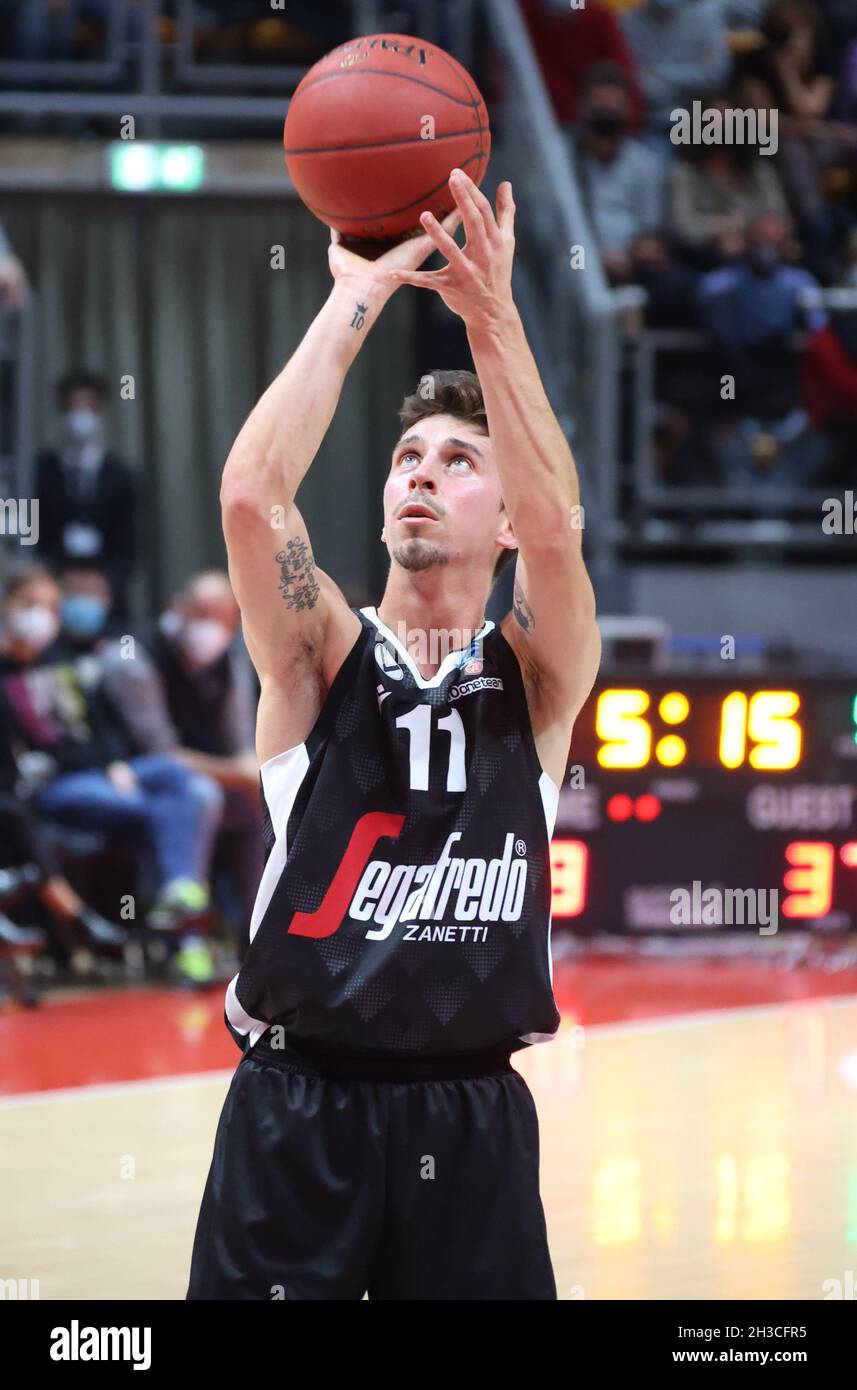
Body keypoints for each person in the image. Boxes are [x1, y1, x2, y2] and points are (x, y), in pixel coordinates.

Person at [187, 170, 601, 1301]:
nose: (422, 470)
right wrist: (359, 293)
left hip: (470, 1117)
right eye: (406, 457)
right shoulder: (319, 651)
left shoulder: (534, 671)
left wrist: (492, 314)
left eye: (458, 461)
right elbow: (249, 496)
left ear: (503, 518)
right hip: (297, 1106)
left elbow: (561, 536)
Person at [0, 567, 216, 939]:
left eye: (51, 607)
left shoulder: (65, 658)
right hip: (59, 783)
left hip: (104, 771)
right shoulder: (4, 675)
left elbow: (101, 723)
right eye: (31, 604)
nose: (42, 616)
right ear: (7, 607)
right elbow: (29, 753)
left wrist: (115, 763)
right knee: (160, 811)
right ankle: (174, 913)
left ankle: (179, 891)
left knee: (177, 775)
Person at [100, 571, 263, 953]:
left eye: (224, 618)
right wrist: (240, 773)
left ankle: (259, 940)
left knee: (261, 803)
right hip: (127, 773)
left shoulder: (233, 659)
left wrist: (255, 775)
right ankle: (187, 942)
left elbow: (240, 742)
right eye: (202, 613)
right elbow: (162, 753)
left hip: (200, 774)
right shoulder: (132, 656)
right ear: (178, 608)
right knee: (198, 794)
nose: (212, 626)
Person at [34, 372, 137, 621]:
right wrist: (55, 575)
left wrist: (102, 582)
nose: (81, 416)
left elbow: (131, 543)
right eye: (73, 407)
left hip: (107, 599)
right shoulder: (38, 472)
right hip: (51, 593)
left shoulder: (120, 476)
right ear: (61, 413)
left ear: (101, 413)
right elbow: (28, 534)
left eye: (89, 407)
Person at [569, 63, 665, 285]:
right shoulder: (563, 158)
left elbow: (649, 226)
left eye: (615, 104)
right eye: (600, 103)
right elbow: (551, 228)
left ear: (627, 110)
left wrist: (632, 255)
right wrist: (596, 259)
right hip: (578, 258)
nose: (607, 111)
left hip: (630, 262)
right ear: (583, 107)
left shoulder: (645, 161)